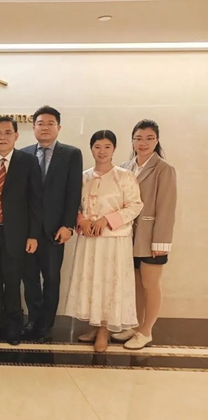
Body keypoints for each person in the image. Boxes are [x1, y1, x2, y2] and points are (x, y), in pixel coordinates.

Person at [65, 130, 143, 352]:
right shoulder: (83, 177)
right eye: (97, 147)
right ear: (91, 149)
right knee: (92, 282)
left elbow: (135, 206)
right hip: (90, 241)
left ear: (114, 149)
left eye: (107, 147)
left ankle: (105, 330)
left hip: (114, 241)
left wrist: (106, 220)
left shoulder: (124, 176)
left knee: (110, 283)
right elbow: (72, 204)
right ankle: (95, 324)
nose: (102, 151)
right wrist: (81, 220)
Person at [0, 116, 42, 345]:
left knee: (13, 282)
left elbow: (35, 201)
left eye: (7, 133)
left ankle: (13, 326)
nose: (2, 137)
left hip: (17, 233)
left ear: (16, 136)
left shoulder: (28, 162)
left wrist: (33, 235)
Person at [111, 120, 177, 350]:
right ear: (132, 140)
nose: (143, 143)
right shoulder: (124, 167)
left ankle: (146, 331)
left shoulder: (163, 169)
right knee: (136, 284)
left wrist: (161, 242)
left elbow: (166, 208)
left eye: (149, 138)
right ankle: (136, 325)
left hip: (151, 238)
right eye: (138, 138)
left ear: (157, 141)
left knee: (151, 283)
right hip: (127, 236)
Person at [21, 105, 83, 341]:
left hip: (55, 231)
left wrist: (68, 225)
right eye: (40, 124)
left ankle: (46, 325)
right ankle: (33, 320)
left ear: (59, 127)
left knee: (51, 279)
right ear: (33, 127)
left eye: (50, 124)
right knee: (30, 279)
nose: (45, 128)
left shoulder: (71, 154)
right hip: (29, 231)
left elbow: (73, 192)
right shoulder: (24, 154)